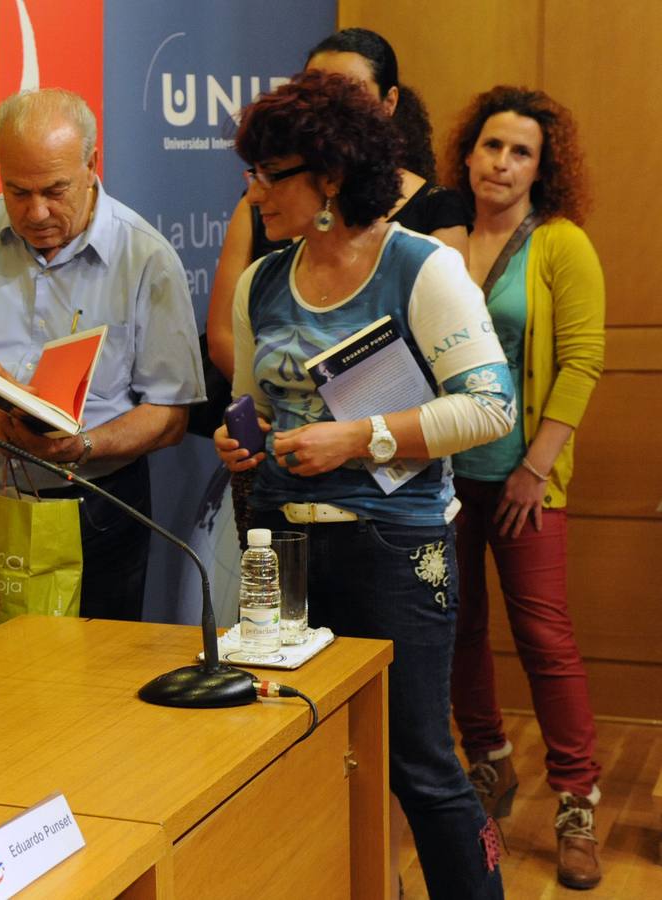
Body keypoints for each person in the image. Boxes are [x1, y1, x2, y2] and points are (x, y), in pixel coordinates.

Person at [214, 71, 514, 899]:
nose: (252, 192)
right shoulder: (261, 280)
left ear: (330, 178)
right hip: (278, 547)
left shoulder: (421, 269)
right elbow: (249, 400)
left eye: (268, 175)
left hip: (394, 547)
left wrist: (360, 436)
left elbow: (491, 407)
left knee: (419, 767)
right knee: (299, 753)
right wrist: (237, 441)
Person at [0, 87, 204, 621]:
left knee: (95, 686)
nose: (36, 212)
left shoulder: (144, 257)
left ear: (91, 165)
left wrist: (84, 444)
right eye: (17, 192)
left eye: (55, 190)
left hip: (95, 504)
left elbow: (170, 415)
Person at [445, 86, 606, 890]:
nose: (501, 164)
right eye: (490, 146)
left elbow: (579, 361)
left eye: (520, 152)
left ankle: (576, 798)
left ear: (542, 169)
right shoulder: (437, 239)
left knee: (543, 636)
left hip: (524, 479)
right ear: (466, 154)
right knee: (455, 624)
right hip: (441, 474)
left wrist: (533, 467)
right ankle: (488, 762)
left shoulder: (560, 243)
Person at [207, 27, 471, 381]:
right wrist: (280, 403)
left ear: (389, 102)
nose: (327, 104)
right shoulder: (261, 267)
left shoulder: (428, 253)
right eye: (314, 87)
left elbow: (481, 400)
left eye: (348, 90)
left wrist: (354, 428)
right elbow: (228, 344)